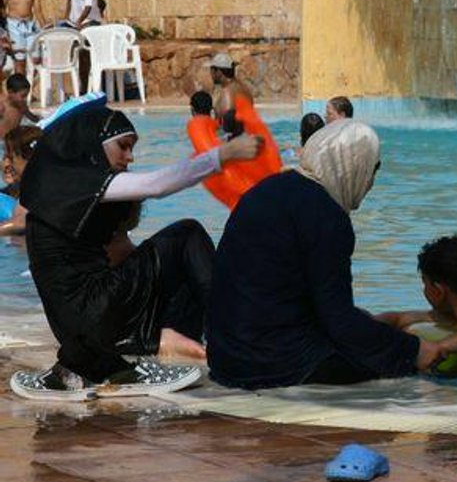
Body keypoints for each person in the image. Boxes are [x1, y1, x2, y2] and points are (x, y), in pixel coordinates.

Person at [14, 106, 262, 397]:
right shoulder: (78, 185)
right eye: (123, 147)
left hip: (79, 329)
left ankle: (86, 367)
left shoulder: (61, 190)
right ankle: (242, 339)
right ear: (95, 143)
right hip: (93, 317)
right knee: (186, 234)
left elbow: (123, 253)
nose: (129, 157)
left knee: (174, 260)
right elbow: (156, 185)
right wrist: (224, 154)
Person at [207, 119, 443, 389]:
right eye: (371, 170)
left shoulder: (267, 189)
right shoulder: (327, 217)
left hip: (224, 356)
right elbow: (340, 322)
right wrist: (413, 349)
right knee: (395, 363)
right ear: (352, 165)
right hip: (269, 364)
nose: (370, 183)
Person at [375, 235, 457, 354]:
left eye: (425, 283)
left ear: (438, 291)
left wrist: (438, 348)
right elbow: (399, 318)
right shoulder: (445, 315)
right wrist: (367, 324)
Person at [1, 0, 45, 75]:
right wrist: (4, 31)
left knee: (36, 59)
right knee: (20, 60)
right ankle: (20, 86)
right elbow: (2, 10)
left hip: (30, 25)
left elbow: (38, 11)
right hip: (14, 25)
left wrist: (44, 28)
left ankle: (31, 86)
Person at [0, 125, 42, 236]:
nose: (6, 164)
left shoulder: (36, 191)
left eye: (10, 157)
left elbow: (19, 224)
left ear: (30, 159)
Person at [207, 52, 254, 134]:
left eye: (211, 70)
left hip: (234, 142)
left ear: (218, 72)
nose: (210, 74)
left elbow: (226, 128)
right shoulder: (243, 87)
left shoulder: (227, 93)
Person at [0, 73, 41, 138]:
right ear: (11, 92)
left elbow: (34, 119)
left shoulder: (22, 105)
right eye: (23, 96)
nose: (25, 99)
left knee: (37, 132)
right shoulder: (2, 105)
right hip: (2, 141)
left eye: (26, 96)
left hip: (13, 139)